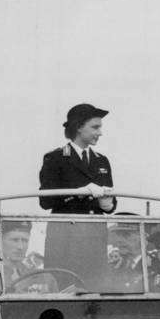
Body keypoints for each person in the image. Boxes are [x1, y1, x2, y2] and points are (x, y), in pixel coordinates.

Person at [38, 103, 116, 289]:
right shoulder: (55, 158)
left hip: (95, 240)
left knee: (95, 292)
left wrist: (107, 204)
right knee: (65, 292)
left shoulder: (101, 161)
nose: (100, 133)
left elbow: (112, 204)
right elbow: (45, 201)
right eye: (95, 127)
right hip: (66, 242)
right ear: (79, 127)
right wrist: (80, 193)